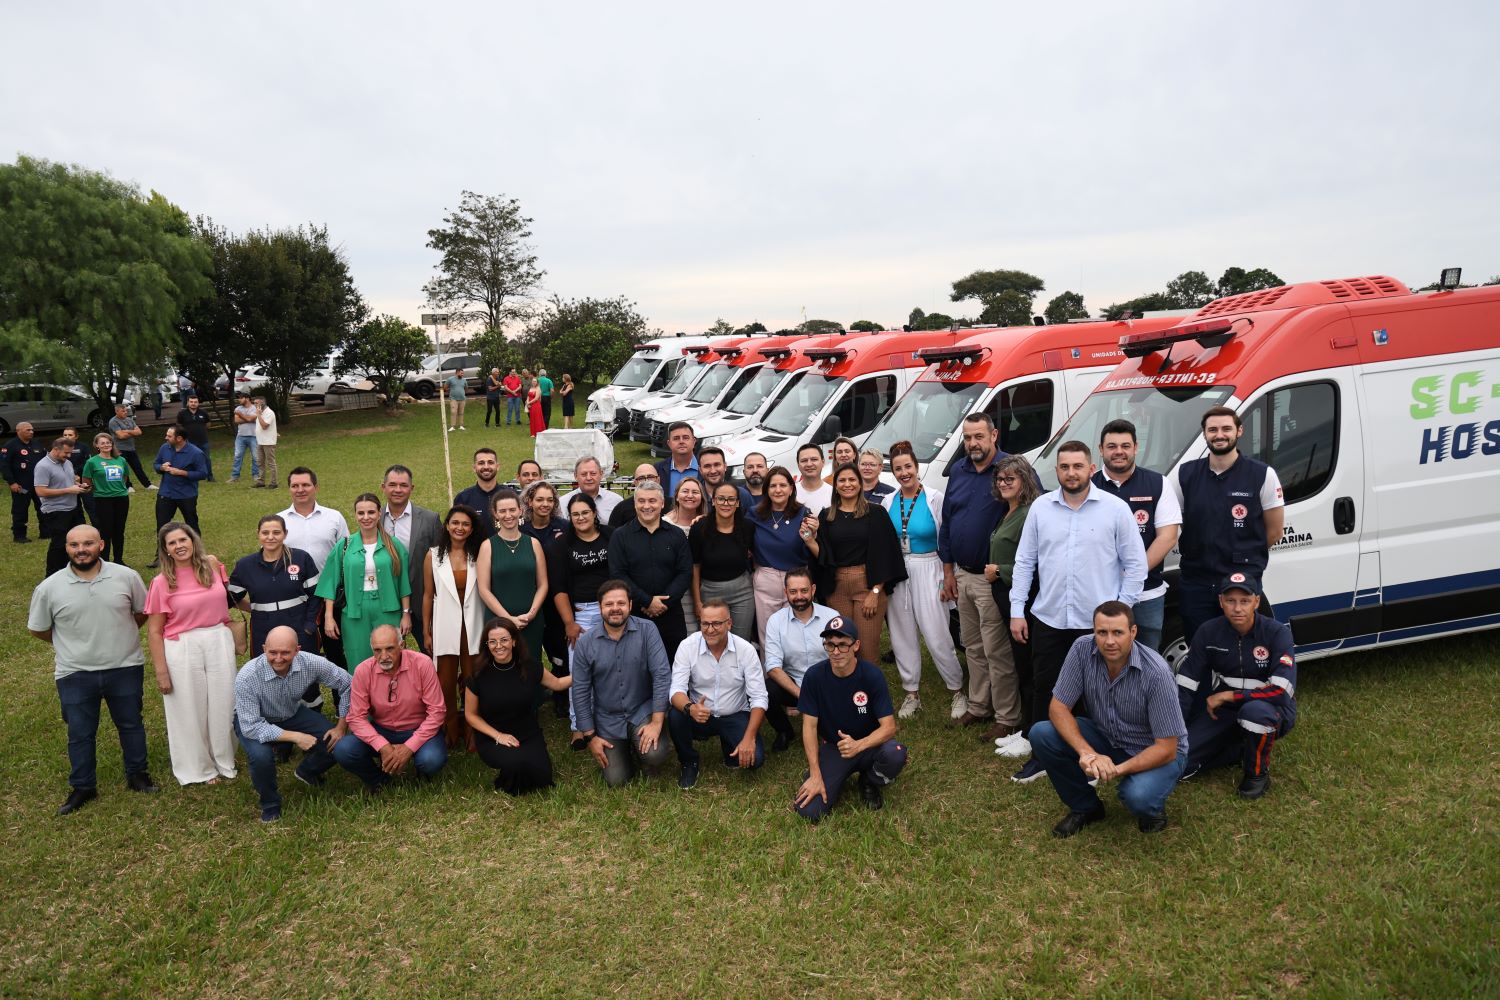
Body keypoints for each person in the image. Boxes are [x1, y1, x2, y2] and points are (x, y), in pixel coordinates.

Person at [1007, 442, 1146, 783]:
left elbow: (1136, 565)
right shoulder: (1040, 509)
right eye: (1065, 467)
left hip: (1095, 625)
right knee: (1046, 687)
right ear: (1056, 470)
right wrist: (1017, 610)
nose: (1071, 473)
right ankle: (1042, 757)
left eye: (1078, 466)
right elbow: (1024, 561)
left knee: (1094, 695)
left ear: (1091, 469)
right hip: (1050, 618)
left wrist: (1119, 613)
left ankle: (1092, 760)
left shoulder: (1115, 509)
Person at [28, 524, 159, 815]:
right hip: (74, 673)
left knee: (131, 724)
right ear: (66, 548)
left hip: (124, 666)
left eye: (88, 543)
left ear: (100, 545)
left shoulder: (127, 577)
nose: (81, 550)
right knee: (80, 733)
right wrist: (70, 645)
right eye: (74, 545)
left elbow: (141, 612)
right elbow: (38, 629)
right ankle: (83, 786)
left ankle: (137, 774)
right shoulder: (49, 588)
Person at [1029, 602, 1188, 837]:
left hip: (1156, 749)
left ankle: (1152, 809)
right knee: (1041, 734)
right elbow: (1058, 708)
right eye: (1102, 632)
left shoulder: (1157, 673)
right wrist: (1087, 753)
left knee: (1137, 796)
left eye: (1118, 633)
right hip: (1108, 735)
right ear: (1094, 630)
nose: (1109, 641)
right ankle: (1086, 807)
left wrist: (1116, 770)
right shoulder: (1082, 649)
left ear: (1133, 632)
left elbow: (1167, 748)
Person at [1175, 573, 1297, 799]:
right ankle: (1238, 750)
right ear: (1221, 601)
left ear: (1256, 602)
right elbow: (1186, 683)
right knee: (1179, 762)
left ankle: (1257, 774)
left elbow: (1281, 692)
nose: (1237, 608)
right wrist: (1175, 732)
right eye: (1231, 601)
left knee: (1254, 714)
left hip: (1270, 707)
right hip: (1225, 710)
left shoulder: (1277, 632)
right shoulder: (1208, 632)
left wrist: (1229, 696)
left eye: (1245, 601)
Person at [1173, 405, 1285, 644]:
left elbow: (1275, 531)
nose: (1219, 435)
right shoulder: (1186, 475)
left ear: (1239, 431)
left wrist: (1243, 551)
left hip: (1241, 579)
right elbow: (1181, 522)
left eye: (1226, 428)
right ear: (1204, 434)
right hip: (1197, 581)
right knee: (1200, 646)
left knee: (1243, 646)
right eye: (1212, 430)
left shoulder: (1262, 475)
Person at [145, 521, 238, 786]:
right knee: (189, 707)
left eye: (183, 540)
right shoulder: (161, 582)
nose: (179, 546)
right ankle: (199, 767)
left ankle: (224, 759)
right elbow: (154, 631)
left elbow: (231, 599)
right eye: (172, 543)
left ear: (193, 541)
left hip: (218, 638)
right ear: (166, 550)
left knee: (224, 701)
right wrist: (161, 671)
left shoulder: (212, 566)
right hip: (182, 645)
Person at [792, 616, 908, 822]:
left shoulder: (872, 675)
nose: (836, 652)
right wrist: (815, 773)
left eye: (843, 645)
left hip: (870, 744)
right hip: (835, 748)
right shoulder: (814, 676)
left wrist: (858, 745)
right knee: (809, 811)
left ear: (856, 646)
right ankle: (826, 774)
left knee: (895, 754)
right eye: (830, 645)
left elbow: (889, 727)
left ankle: (869, 780)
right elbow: (809, 727)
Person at [233, 626, 353, 822]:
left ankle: (307, 771)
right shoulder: (247, 676)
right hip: (254, 720)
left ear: (297, 650)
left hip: (291, 712)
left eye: (285, 653)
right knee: (261, 757)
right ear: (264, 649)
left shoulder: (311, 662)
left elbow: (347, 683)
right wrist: (296, 737)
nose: (278, 658)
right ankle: (270, 804)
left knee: (337, 742)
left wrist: (341, 726)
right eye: (272, 652)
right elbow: (251, 727)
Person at [883, 441, 963, 720]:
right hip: (900, 570)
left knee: (936, 632)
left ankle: (957, 689)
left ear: (917, 467)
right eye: (898, 469)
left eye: (908, 466)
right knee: (901, 633)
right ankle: (911, 693)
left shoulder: (934, 498)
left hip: (930, 567)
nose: (904, 473)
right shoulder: (889, 501)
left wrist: (947, 576)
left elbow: (947, 538)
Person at [940, 413, 1008, 729]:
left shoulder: (1010, 469)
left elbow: (1030, 515)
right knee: (972, 646)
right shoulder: (958, 470)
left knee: (996, 650)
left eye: (979, 436)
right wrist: (948, 571)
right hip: (962, 574)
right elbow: (948, 521)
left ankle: (1006, 715)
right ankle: (980, 706)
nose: (973, 443)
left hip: (991, 578)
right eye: (967, 438)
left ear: (994, 435)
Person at [571, 580, 672, 787]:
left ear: (630, 605)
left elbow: (662, 675)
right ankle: (627, 750)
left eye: (621, 603)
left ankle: (644, 753)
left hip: (642, 710)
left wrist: (656, 722)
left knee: (655, 754)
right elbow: (580, 691)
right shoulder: (585, 642)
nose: (615, 608)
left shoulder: (648, 630)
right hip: (608, 719)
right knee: (616, 780)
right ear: (600, 607)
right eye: (609, 604)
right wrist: (591, 737)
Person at [1092, 419, 1181, 652]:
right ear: (1101, 449)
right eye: (1111, 446)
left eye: (1125, 445)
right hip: (1099, 593)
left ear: (1136, 448)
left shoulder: (1158, 483)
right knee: (1101, 659)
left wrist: (1132, 575)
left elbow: (1168, 537)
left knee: (1146, 659)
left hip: (1146, 594)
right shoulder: (1089, 487)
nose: (1119, 451)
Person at [804, 462, 905, 658]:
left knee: (867, 649)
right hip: (837, 587)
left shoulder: (876, 513)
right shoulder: (827, 516)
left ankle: (867, 679)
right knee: (842, 646)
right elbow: (824, 556)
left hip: (868, 584)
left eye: (852, 479)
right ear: (835, 486)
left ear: (860, 484)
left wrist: (876, 592)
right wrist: (809, 541)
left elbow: (886, 554)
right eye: (842, 480)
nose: (847, 484)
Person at [332, 625, 448, 789]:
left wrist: (409, 747)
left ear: (402, 646)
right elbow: (356, 718)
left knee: (431, 760)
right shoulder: (363, 670)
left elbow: (437, 712)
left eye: (390, 649)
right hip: (382, 729)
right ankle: (379, 780)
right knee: (344, 749)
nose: (384, 656)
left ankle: (421, 770)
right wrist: (383, 746)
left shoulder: (422, 664)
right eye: (377, 650)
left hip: (419, 728)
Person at [668, 601, 767, 788]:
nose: (710, 629)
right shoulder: (687, 646)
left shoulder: (745, 650)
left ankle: (729, 746)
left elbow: (759, 697)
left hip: (735, 714)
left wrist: (749, 738)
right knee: (675, 715)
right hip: (699, 714)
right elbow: (676, 690)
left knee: (755, 760)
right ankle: (689, 762)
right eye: (705, 623)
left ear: (729, 623)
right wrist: (690, 708)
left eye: (716, 624)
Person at [466, 617, 570, 794]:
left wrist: (586, 674)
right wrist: (498, 736)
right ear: (487, 644)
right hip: (493, 736)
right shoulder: (478, 674)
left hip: (527, 732)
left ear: (514, 641)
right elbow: (471, 715)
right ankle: (511, 769)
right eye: (492, 641)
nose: (499, 646)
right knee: (518, 766)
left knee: (542, 777)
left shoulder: (530, 667)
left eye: (504, 640)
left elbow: (558, 684)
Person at [984, 454, 1042, 758]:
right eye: (1000, 479)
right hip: (1006, 598)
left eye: (1011, 478)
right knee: (1020, 664)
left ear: (1024, 480)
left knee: (1028, 664)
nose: (1004, 483)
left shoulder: (1030, 513)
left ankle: (1034, 732)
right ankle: (1026, 725)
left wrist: (999, 570)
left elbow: (1036, 561)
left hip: (1022, 599)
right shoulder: (1008, 511)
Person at [316, 493, 412, 669]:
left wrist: (406, 614)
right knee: (358, 660)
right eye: (361, 513)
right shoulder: (344, 546)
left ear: (379, 513)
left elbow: (403, 582)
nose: (366, 517)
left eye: (371, 512)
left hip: (388, 610)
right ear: (355, 515)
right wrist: (328, 616)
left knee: (391, 659)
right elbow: (330, 582)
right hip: (354, 612)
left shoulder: (394, 544)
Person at [423, 505, 486, 749]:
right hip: (445, 626)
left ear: (472, 529)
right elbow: (428, 595)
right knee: (445, 682)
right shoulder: (433, 556)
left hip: (473, 626)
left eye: (465, 524)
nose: (460, 528)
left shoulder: (479, 553)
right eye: (455, 523)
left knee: (473, 679)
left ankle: (473, 730)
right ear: (447, 526)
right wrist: (426, 630)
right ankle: (448, 730)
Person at [608, 480, 693, 658]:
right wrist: (647, 601)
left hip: (671, 615)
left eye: (652, 501)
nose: (647, 506)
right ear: (635, 504)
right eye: (641, 501)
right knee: (635, 665)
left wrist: (662, 603)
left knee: (674, 664)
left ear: (662, 504)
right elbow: (618, 574)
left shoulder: (676, 535)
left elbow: (685, 572)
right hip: (635, 615)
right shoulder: (620, 536)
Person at [761, 567, 837, 752]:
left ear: (813, 589)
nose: (799, 596)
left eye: (804, 590)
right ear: (785, 592)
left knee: (833, 735)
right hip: (794, 686)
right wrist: (802, 695)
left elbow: (842, 659)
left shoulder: (831, 617)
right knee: (766, 689)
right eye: (793, 591)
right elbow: (773, 667)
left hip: (827, 683)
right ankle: (784, 731)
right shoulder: (775, 621)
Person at [228, 514, 320, 656]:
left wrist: (309, 624)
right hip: (263, 631)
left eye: (276, 532)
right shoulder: (245, 565)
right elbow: (230, 599)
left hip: (299, 629)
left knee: (305, 668)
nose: (270, 537)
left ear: (285, 534)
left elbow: (317, 594)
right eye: (265, 533)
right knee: (267, 668)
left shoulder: (301, 558)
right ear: (258, 534)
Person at [747, 466, 818, 646]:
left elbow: (810, 544)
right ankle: (769, 665)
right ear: (766, 490)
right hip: (766, 579)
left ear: (791, 488)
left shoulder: (803, 513)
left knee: (795, 634)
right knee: (767, 635)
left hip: (797, 579)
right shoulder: (754, 514)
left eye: (783, 485)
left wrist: (812, 533)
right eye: (773, 486)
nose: (778, 490)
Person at [477, 490, 549, 660]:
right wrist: (508, 619)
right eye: (502, 511)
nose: (508, 515)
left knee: (531, 664)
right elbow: (484, 590)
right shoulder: (487, 546)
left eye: (512, 510)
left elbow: (543, 584)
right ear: (495, 514)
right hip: (498, 623)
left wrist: (531, 614)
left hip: (530, 621)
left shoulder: (533, 544)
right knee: (502, 665)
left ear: (520, 511)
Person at [380, 464, 443, 653]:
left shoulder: (430, 519)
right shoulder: (373, 518)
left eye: (403, 485)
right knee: (387, 652)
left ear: (411, 488)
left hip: (420, 599)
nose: (398, 490)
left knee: (430, 651)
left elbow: (441, 560)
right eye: (392, 485)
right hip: (385, 600)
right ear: (383, 487)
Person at [690, 482, 756, 644]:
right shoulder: (700, 528)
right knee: (713, 641)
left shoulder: (747, 527)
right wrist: (697, 601)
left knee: (741, 642)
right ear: (713, 501)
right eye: (721, 499)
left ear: (737, 503)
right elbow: (695, 566)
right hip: (710, 592)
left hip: (742, 592)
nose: (726, 503)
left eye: (731, 499)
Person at [279, 466, 349, 573]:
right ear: (289, 489)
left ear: (316, 488)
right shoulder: (279, 521)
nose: (300, 490)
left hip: (328, 582)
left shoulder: (335, 517)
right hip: (290, 582)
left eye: (305, 485)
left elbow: (347, 553)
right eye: (295, 486)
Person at [149, 424, 207, 549]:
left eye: (169, 436)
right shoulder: (165, 448)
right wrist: (161, 467)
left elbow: (203, 473)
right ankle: (161, 555)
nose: (166, 438)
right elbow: (156, 464)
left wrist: (182, 473)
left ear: (179, 438)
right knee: (162, 526)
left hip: (186, 494)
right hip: (165, 493)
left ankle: (196, 551)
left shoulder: (196, 453)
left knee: (191, 524)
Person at [34, 436, 86, 576]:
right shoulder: (43, 466)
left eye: (70, 453)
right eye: (66, 453)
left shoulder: (67, 462)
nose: (69, 456)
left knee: (75, 542)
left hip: (73, 508)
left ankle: (70, 571)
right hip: (56, 511)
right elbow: (40, 491)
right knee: (59, 545)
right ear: (56, 449)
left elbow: (68, 482)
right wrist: (69, 490)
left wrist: (79, 485)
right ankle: (51, 575)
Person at [82, 431, 130, 563]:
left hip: (121, 498)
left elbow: (125, 477)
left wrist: (117, 488)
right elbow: (86, 481)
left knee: (119, 530)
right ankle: (105, 561)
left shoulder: (121, 460)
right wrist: (100, 488)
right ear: (96, 445)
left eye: (108, 442)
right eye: (102, 443)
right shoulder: (92, 462)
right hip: (103, 499)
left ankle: (119, 560)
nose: (106, 445)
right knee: (105, 531)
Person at [3, 420, 42, 542]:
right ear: (18, 431)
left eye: (32, 430)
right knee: (20, 510)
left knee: (43, 508)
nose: (31, 432)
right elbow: (4, 465)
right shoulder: (10, 446)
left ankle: (45, 532)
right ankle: (19, 535)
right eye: (28, 430)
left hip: (38, 484)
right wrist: (12, 482)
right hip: (21, 485)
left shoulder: (36, 444)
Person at [454, 447, 503, 537]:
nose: (486, 467)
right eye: (481, 463)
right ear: (474, 468)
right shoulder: (463, 498)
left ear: (497, 466)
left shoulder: (511, 496)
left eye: (490, 462)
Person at [561, 455, 623, 524]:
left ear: (601, 474)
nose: (588, 478)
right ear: (575, 476)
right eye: (584, 474)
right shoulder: (563, 503)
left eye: (593, 473)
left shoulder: (616, 501)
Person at [108, 403, 154, 490]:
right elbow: (121, 436)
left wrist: (126, 431)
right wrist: (132, 432)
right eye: (123, 411)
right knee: (123, 468)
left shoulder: (129, 420)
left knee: (137, 467)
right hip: (119, 449)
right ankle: (128, 486)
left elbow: (139, 432)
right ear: (117, 411)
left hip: (131, 448)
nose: (125, 412)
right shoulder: (113, 422)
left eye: (126, 410)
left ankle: (147, 485)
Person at [605, 464, 660, 529]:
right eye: (641, 478)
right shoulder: (621, 509)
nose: (646, 482)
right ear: (635, 483)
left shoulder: (669, 506)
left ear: (658, 480)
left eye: (650, 477)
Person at [175, 394, 214, 481]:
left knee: (207, 459)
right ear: (188, 403)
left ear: (198, 403)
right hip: (189, 442)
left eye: (195, 402)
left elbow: (208, 424)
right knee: (189, 460)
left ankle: (210, 476)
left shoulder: (203, 413)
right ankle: (190, 476)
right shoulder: (182, 414)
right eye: (191, 402)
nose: (193, 404)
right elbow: (178, 425)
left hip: (203, 441)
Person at [655, 422, 700, 494]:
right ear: (669, 444)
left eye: (685, 438)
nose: (681, 441)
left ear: (694, 441)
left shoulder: (705, 468)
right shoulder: (657, 469)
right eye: (676, 438)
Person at [60, 427, 94, 523]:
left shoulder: (83, 447)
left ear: (76, 436)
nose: (67, 437)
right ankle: (80, 527)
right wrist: (71, 475)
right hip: (67, 482)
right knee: (75, 507)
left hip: (83, 480)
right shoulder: (59, 448)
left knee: (90, 505)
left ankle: (97, 528)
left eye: (70, 435)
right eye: (65, 435)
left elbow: (88, 463)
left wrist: (75, 472)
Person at [230, 391, 261, 484]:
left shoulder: (255, 408)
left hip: (254, 436)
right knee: (237, 456)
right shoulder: (238, 408)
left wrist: (241, 415)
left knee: (256, 457)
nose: (239, 400)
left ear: (247, 399)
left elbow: (250, 419)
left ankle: (256, 475)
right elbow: (236, 420)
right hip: (240, 436)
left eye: (241, 398)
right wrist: (248, 418)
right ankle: (235, 476)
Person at [794, 443, 832, 513]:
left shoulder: (833, 493)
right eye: (804, 460)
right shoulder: (790, 493)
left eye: (814, 459)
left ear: (823, 462)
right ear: (798, 465)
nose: (809, 464)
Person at [250, 396, 278, 489]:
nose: (254, 405)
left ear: (262, 403)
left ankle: (274, 483)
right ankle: (261, 481)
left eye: (256, 403)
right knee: (260, 462)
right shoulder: (261, 412)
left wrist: (258, 415)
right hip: (260, 441)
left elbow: (264, 426)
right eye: (254, 403)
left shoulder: (269, 413)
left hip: (268, 442)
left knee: (271, 462)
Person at [445, 367, 467, 431]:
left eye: (463, 373)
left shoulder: (464, 380)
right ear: (457, 373)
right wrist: (450, 392)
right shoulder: (450, 379)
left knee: (461, 412)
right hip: (453, 399)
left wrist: (462, 393)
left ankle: (461, 426)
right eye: (461, 373)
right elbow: (445, 387)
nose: (462, 374)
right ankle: (452, 426)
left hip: (462, 399)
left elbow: (466, 388)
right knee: (453, 412)